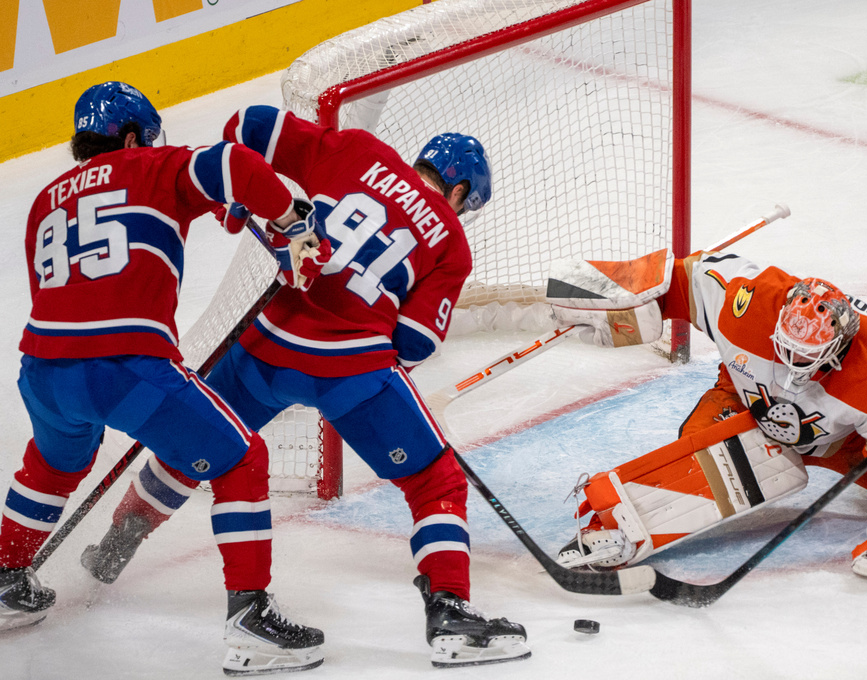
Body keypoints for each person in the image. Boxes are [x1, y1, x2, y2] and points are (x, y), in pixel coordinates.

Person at [80, 105, 531, 668]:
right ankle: (449, 611)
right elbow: (415, 342)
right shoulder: (451, 246)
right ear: (459, 189)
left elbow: (246, 126)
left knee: (200, 442)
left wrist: (245, 204)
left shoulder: (360, 151)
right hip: (354, 366)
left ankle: (118, 541)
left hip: (268, 343)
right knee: (432, 479)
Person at [0, 82, 327, 676]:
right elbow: (233, 163)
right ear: (131, 138)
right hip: (123, 365)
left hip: (42, 368)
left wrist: (221, 206)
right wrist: (289, 221)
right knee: (242, 460)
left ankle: (3, 579)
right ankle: (251, 617)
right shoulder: (154, 163)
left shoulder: (45, 198)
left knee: (52, 466)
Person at [548, 248, 867, 583]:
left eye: (808, 356)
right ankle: (621, 520)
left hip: (847, 442)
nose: (794, 362)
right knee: (697, 458)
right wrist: (614, 285)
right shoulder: (745, 304)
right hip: (744, 401)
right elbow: (685, 278)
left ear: (839, 348)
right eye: (787, 348)